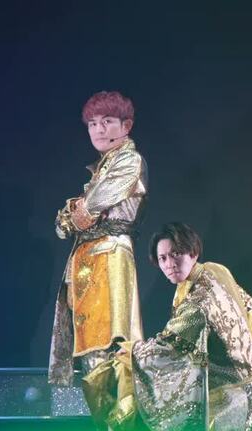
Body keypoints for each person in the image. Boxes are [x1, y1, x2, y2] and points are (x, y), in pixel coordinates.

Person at [83, 222, 252, 431]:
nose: (169, 264)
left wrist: (132, 351)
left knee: (123, 369)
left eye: (176, 254)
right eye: (162, 258)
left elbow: (169, 346)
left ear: (193, 253)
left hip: (228, 384)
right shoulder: (214, 271)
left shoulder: (198, 301)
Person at [48, 91, 147, 388]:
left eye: (107, 121)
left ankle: (118, 415)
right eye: (92, 124)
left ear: (126, 125)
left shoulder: (129, 159)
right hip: (89, 255)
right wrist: (72, 215)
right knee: (91, 344)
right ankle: (105, 416)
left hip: (109, 252)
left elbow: (87, 210)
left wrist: (75, 213)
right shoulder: (103, 166)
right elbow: (64, 224)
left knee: (110, 342)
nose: (98, 130)